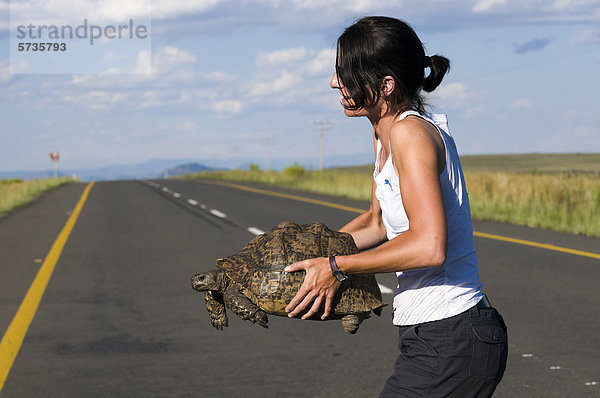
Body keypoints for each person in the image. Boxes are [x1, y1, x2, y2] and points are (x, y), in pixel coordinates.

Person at [283, 16, 508, 397]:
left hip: (452, 334)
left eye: (346, 73)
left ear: (385, 85)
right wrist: (308, 254)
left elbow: (429, 245)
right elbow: (378, 223)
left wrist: (336, 267)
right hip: (434, 335)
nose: (335, 82)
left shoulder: (409, 133)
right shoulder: (383, 133)